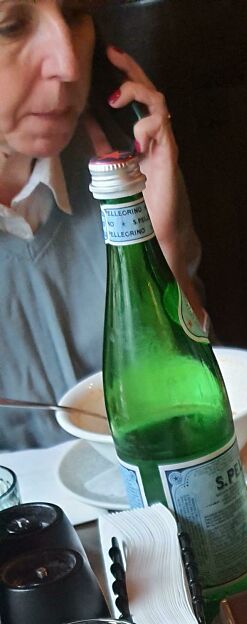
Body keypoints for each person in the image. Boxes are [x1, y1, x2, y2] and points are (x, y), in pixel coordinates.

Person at [0, 0, 203, 449]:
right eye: (12, 27)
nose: (70, 64)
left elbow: (193, 414)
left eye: (75, 14)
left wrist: (159, 243)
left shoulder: (129, 160)